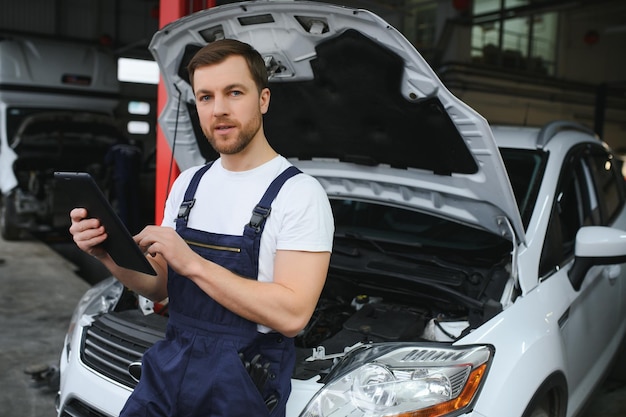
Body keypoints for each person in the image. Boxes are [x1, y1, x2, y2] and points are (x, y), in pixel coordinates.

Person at [69, 39, 334, 417]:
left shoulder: (299, 194)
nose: (219, 110)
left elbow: (292, 315)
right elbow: (160, 284)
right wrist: (107, 253)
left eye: (234, 92)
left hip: (242, 381)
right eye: (205, 97)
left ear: (264, 99)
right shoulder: (188, 184)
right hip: (170, 362)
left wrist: (191, 262)